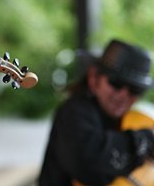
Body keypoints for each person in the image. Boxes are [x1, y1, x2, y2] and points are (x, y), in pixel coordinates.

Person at [38, 39, 154, 186]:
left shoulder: (129, 119)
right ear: (94, 78)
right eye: (116, 83)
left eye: (135, 89)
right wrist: (147, 139)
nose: (124, 95)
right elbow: (89, 166)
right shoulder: (74, 111)